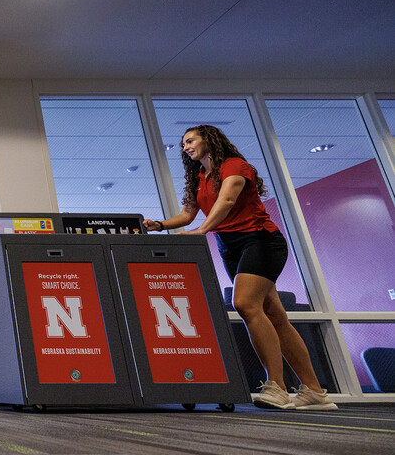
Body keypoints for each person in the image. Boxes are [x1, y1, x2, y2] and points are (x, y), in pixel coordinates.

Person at [142, 125, 336, 410]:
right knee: (275, 316)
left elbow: (228, 200)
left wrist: (202, 231)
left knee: (245, 304)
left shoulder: (235, 166)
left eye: (190, 140)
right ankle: (315, 392)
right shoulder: (200, 176)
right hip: (229, 245)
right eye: (183, 144)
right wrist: (159, 225)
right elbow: (187, 213)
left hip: (259, 240)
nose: (185, 147)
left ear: (209, 139)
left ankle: (278, 387)